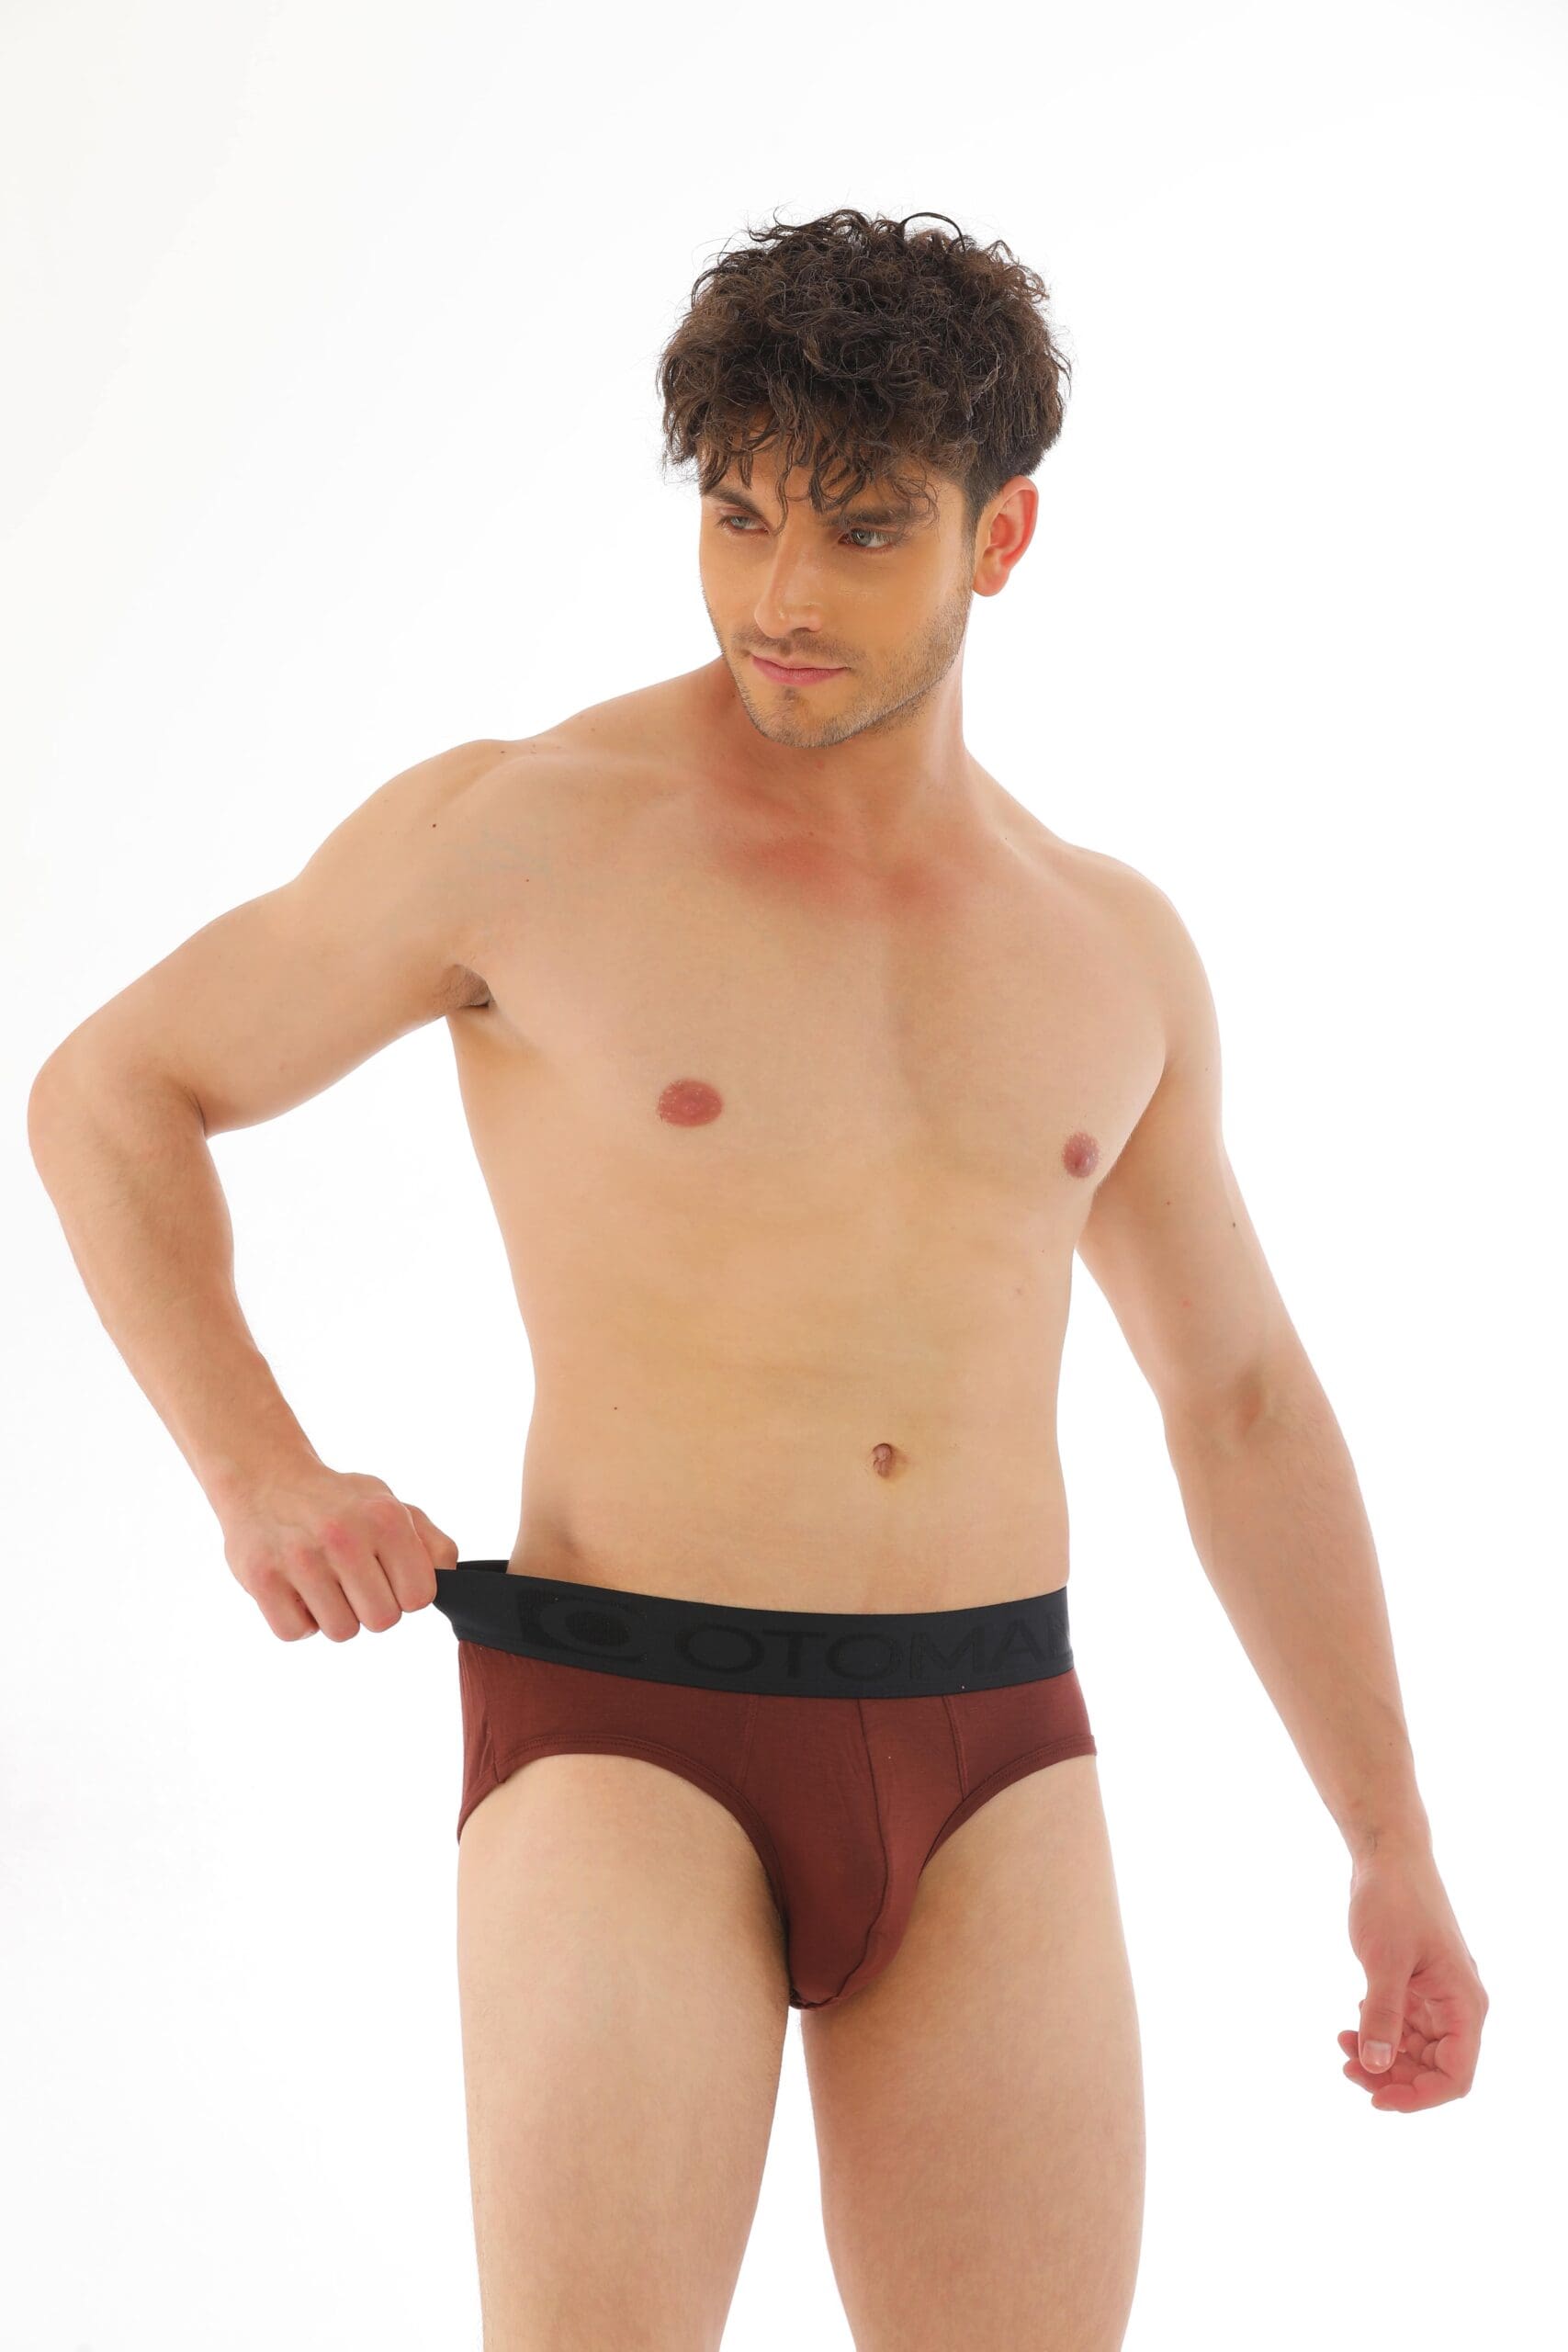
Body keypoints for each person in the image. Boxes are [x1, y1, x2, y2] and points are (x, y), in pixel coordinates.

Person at [28, 207, 1486, 2352]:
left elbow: (1238, 1395)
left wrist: (1386, 1836)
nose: (779, 597)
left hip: (995, 1745)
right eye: (736, 516)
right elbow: (111, 1086)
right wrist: (259, 1465)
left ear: (997, 538)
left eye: (861, 530)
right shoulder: (526, 831)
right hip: (625, 1722)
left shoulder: (1104, 945)